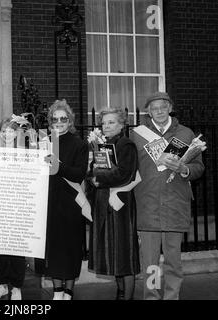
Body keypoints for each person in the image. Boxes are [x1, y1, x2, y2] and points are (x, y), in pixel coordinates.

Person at [131, 92, 204, 300]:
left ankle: (172, 297)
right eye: (154, 108)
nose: (159, 111)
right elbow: (129, 166)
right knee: (150, 264)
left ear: (170, 107)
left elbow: (198, 168)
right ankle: (151, 297)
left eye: (163, 107)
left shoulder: (186, 133)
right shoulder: (137, 134)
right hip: (147, 207)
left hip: (175, 205)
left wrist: (184, 168)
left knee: (173, 262)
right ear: (149, 111)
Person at [87, 108, 140, 300]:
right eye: (104, 123)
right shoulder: (102, 145)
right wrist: (91, 175)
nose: (106, 126)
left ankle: (128, 297)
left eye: (111, 122)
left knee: (125, 255)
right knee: (113, 254)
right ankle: (120, 293)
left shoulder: (126, 145)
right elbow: (93, 170)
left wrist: (98, 177)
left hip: (120, 206)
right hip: (103, 205)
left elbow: (125, 174)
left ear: (121, 125)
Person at [43, 99, 89, 300]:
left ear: (70, 121)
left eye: (63, 118)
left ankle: (68, 291)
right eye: (55, 119)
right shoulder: (44, 142)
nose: (59, 122)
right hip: (50, 202)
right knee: (53, 248)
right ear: (50, 121)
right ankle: (57, 291)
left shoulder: (79, 144)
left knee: (70, 248)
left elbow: (78, 174)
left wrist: (57, 165)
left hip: (71, 203)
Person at [0, 116, 29, 300]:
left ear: (18, 132)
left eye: (11, 130)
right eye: (4, 130)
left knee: (18, 249)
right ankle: (3, 284)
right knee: (1, 248)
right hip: (0, 205)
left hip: (19, 205)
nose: (7, 134)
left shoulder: (26, 152)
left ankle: (17, 287)